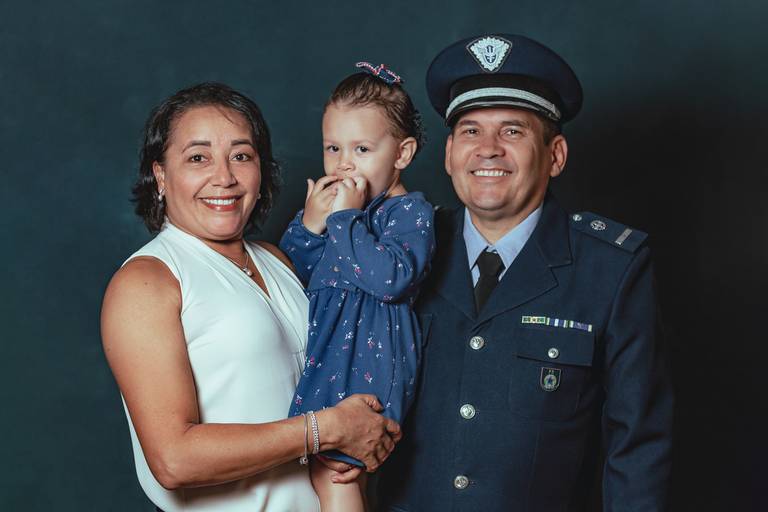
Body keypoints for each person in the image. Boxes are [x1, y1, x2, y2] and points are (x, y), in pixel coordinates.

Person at [376, 34, 673, 511]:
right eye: (471, 131)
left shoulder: (611, 268)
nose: (488, 150)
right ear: (449, 153)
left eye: (512, 131)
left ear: (555, 156)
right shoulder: (395, 255)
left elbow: (638, 446)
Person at [101, 82, 401, 512]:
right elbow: (174, 459)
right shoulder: (148, 281)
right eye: (198, 158)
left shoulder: (278, 259)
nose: (224, 177)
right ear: (161, 176)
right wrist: (327, 429)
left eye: (241, 156)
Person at [278, 63, 434, 511]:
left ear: (402, 154)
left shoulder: (409, 213)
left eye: (362, 149)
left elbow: (390, 279)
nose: (344, 163)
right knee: (320, 473)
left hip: (368, 361)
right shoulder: (342, 212)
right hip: (327, 355)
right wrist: (310, 225)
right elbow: (289, 277)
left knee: (334, 472)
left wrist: (344, 219)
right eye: (333, 148)